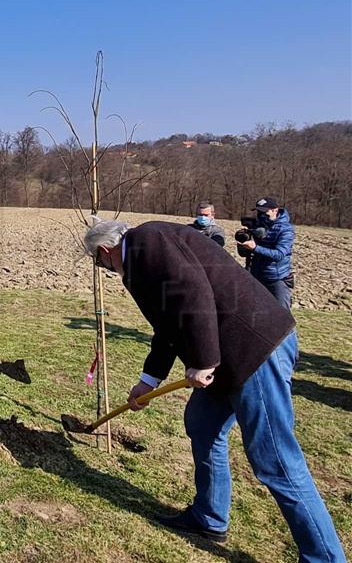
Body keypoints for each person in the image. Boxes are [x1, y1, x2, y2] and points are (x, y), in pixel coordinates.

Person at [84, 218, 345, 560]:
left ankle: (325, 557)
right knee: (203, 424)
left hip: (253, 349)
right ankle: (210, 516)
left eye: (101, 263)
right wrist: (148, 381)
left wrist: (204, 360)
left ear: (106, 251)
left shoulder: (149, 242)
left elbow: (195, 292)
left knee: (276, 460)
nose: (105, 269)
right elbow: (167, 324)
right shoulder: (140, 259)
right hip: (226, 357)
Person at [237, 197, 295, 309]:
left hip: (276, 278)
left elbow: (279, 254)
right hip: (256, 275)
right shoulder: (258, 225)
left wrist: (255, 248)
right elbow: (245, 253)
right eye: (259, 212)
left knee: (282, 316)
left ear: (275, 210)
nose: (261, 215)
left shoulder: (285, 229)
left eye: (264, 212)